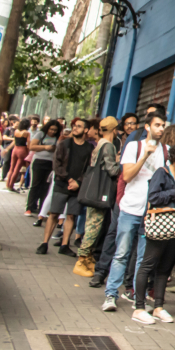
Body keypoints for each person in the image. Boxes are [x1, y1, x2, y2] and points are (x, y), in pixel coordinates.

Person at [102, 111, 168, 312]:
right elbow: (128, 176)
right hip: (130, 208)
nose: (161, 128)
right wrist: (145, 156)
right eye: (157, 125)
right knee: (121, 252)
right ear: (147, 127)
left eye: (163, 125)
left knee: (143, 258)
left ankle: (136, 297)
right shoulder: (134, 146)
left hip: (151, 212)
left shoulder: (166, 151)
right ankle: (110, 294)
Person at [131, 142, 175, 325]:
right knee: (147, 265)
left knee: (165, 269)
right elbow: (153, 197)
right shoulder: (162, 172)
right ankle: (139, 307)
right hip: (160, 226)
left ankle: (158, 306)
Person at [36, 118, 93, 257]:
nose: (75, 128)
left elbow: (89, 169)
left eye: (79, 126)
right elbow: (57, 164)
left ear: (86, 130)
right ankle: (44, 243)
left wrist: (78, 183)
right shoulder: (64, 144)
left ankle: (65, 244)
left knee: (71, 216)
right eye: (74, 126)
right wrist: (68, 179)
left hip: (77, 187)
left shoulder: (89, 148)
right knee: (54, 213)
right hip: (62, 183)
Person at [74, 117, 122, 277]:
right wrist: (120, 163)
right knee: (94, 226)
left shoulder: (99, 143)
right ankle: (81, 259)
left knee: (91, 224)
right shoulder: (108, 146)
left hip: (92, 190)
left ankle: (86, 258)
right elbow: (112, 170)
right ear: (114, 130)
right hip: (99, 192)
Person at [25, 119, 62, 216]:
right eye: (51, 129)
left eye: (55, 130)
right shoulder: (41, 134)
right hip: (39, 161)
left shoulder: (58, 137)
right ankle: (29, 207)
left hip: (50, 163)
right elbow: (32, 146)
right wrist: (45, 147)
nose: (53, 132)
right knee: (35, 184)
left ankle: (42, 208)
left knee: (46, 186)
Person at [4, 118, 31, 192]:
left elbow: (15, 141)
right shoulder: (27, 133)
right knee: (17, 169)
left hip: (15, 149)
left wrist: (8, 149)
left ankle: (7, 184)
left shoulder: (16, 131)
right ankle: (11, 186)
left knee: (11, 168)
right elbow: (28, 145)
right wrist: (29, 153)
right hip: (22, 150)